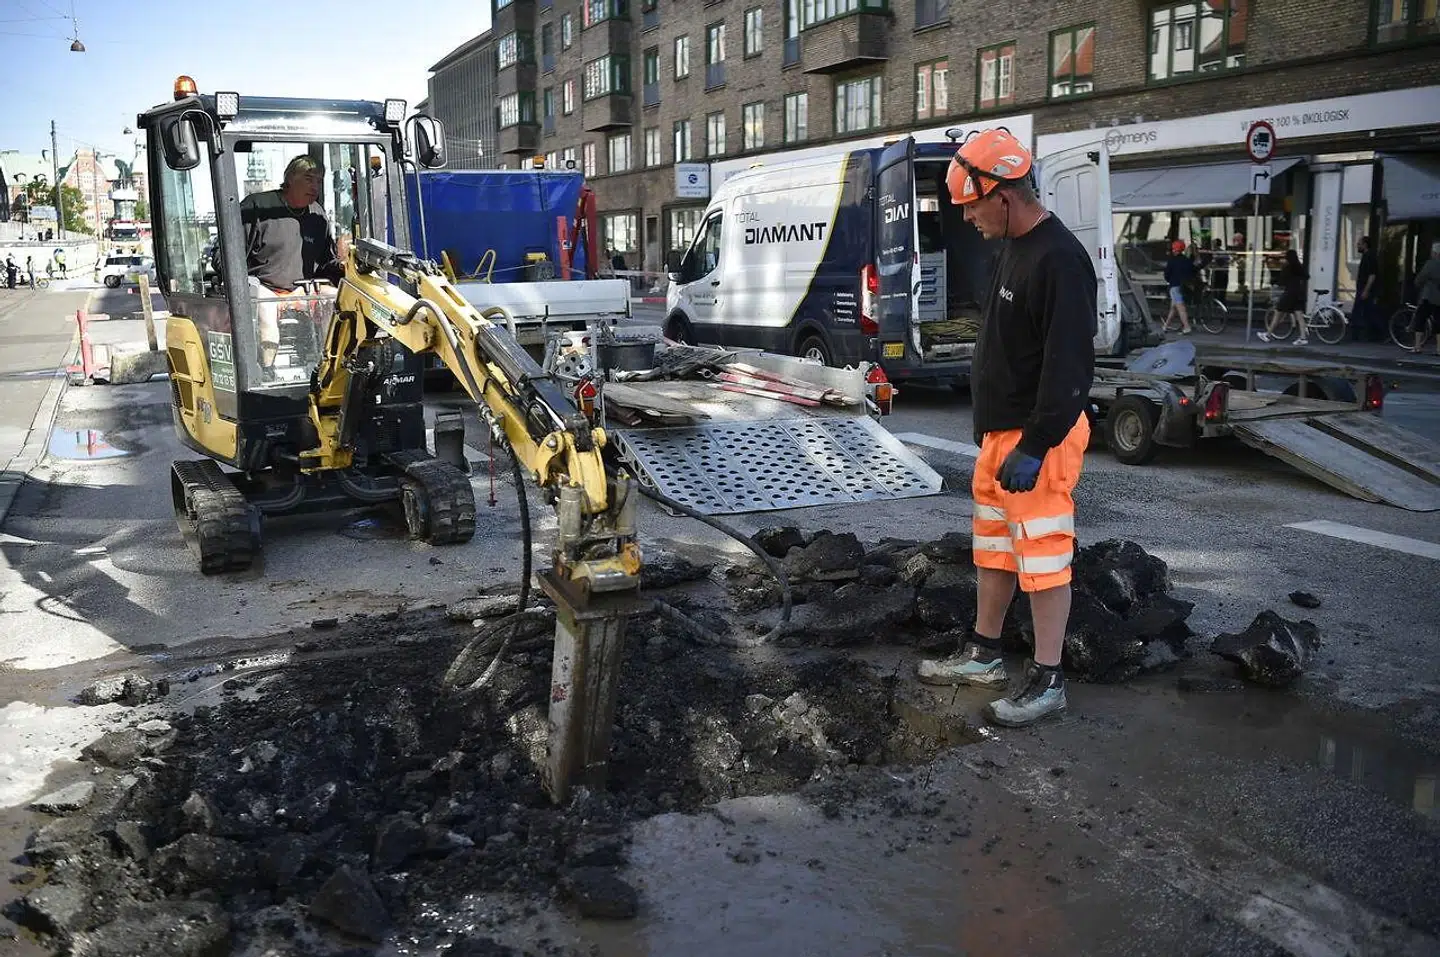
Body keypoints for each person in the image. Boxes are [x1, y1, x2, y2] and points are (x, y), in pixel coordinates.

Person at [916, 128, 1096, 727]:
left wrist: (1038, 444)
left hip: (1036, 437)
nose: (967, 218)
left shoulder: (1060, 258)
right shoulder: (1013, 248)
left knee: (1043, 556)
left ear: (1003, 195)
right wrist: (990, 426)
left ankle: (1049, 679)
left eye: (971, 206)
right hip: (1003, 435)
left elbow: (1069, 365)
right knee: (994, 551)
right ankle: (984, 653)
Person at [240, 154, 346, 375]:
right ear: (289, 178)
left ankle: (331, 368)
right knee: (265, 305)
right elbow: (229, 258)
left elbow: (325, 263)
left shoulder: (317, 214)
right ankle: (267, 372)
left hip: (302, 288)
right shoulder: (256, 207)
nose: (315, 185)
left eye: (319, 180)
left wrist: (346, 263)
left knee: (336, 299)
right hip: (264, 287)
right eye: (309, 178)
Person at [1259, 249, 1309, 344]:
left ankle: (1267, 335)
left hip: (1289, 293)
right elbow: (1306, 276)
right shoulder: (1299, 266)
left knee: (1278, 314)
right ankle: (1303, 338)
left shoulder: (1288, 267)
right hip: (1299, 293)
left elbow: (1281, 281)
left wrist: (1276, 284)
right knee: (1299, 316)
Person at [1350, 235, 1379, 342]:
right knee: (1367, 312)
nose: (1357, 246)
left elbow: (1372, 275)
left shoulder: (1369, 256)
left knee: (1360, 312)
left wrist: (1366, 290)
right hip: (1363, 289)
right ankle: (1371, 335)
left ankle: (1357, 336)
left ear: (1365, 245)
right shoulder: (1367, 256)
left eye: (1359, 244)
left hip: (1365, 290)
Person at [1163, 240, 1195, 334]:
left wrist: (1170, 281)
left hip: (1174, 286)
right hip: (1184, 287)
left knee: (1180, 308)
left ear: (1174, 249)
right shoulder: (1187, 260)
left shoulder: (1172, 261)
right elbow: (1192, 272)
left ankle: (1187, 327)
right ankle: (1165, 326)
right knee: (1174, 307)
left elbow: (1166, 275)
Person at [1413, 241, 1440, 354]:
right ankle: (1439, 349)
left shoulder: (1431, 264)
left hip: (1429, 297)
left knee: (1419, 319)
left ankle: (1418, 346)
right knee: (1439, 322)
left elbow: (1420, 278)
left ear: (1435, 253)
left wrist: (1417, 284)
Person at [1208, 238, 1231, 304]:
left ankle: (1218, 301)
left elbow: (1220, 262)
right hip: (1221, 272)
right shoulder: (1221, 252)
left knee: (1218, 288)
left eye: (1213, 243)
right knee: (1219, 288)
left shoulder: (1219, 253)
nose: (1212, 245)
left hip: (1219, 272)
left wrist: (1213, 262)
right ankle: (1219, 300)